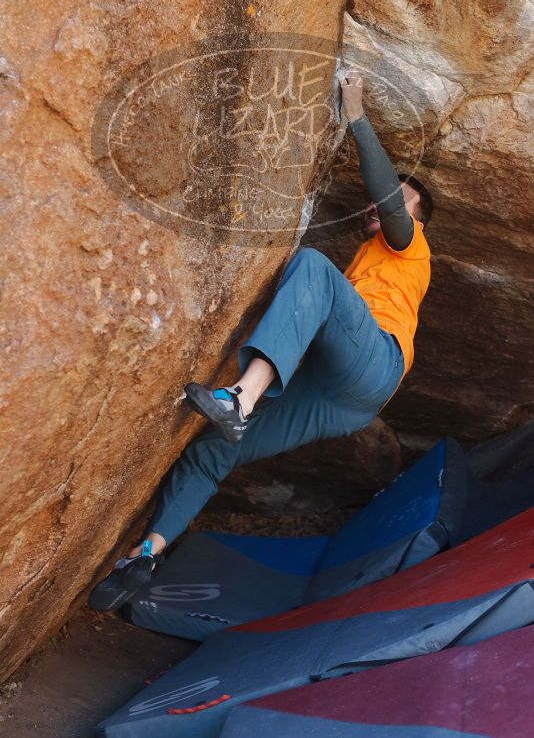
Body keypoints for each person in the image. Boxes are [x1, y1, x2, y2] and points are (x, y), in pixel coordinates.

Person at [89, 75, 433, 611]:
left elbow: (389, 202)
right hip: (340, 397)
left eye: (397, 203)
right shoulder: (370, 260)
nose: (375, 208)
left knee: (314, 268)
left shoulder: (413, 250)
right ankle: (147, 553)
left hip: (375, 362)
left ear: (417, 221)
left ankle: (241, 399)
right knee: (212, 448)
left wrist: (357, 116)